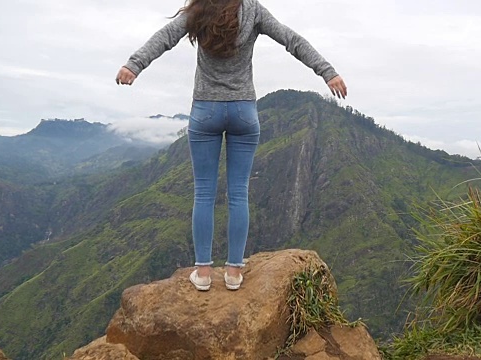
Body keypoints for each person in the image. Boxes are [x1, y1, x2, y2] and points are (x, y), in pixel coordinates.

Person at [116, 0, 347, 291]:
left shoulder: (198, 11)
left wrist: (133, 65)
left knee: (204, 193)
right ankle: (234, 272)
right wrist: (328, 72)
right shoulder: (253, 10)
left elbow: (165, 37)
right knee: (239, 193)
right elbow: (292, 39)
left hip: (206, 111)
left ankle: (202, 273)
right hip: (243, 112)